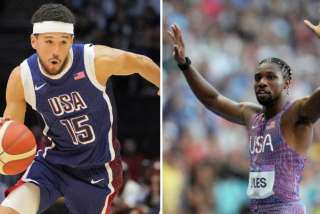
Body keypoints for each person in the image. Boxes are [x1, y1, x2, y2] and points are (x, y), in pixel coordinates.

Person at [0, 3, 160, 214]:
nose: (56, 50)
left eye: (63, 42)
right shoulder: (22, 78)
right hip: (52, 164)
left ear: (72, 41)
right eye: (48, 41)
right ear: (34, 41)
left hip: (97, 168)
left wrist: (162, 84)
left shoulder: (95, 61)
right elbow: (10, 133)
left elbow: (139, 62)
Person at [167, 16, 320, 213]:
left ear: (286, 84)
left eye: (271, 77)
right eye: (258, 78)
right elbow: (212, 99)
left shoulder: (298, 113)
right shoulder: (251, 114)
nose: (262, 82)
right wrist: (184, 65)